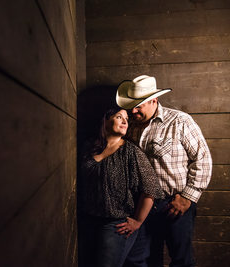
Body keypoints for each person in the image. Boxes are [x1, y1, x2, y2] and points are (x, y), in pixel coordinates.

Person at [116, 75, 213, 267]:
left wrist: (187, 198)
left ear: (154, 100)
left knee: (181, 259)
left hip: (174, 203)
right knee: (147, 259)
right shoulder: (130, 125)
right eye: (132, 105)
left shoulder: (179, 121)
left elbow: (203, 159)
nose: (133, 110)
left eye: (139, 105)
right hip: (141, 204)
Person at [77, 106, 163, 267]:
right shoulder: (89, 146)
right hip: (88, 220)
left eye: (126, 119)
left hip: (115, 224)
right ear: (106, 120)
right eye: (119, 117)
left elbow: (151, 189)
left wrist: (137, 221)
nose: (125, 121)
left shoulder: (131, 152)